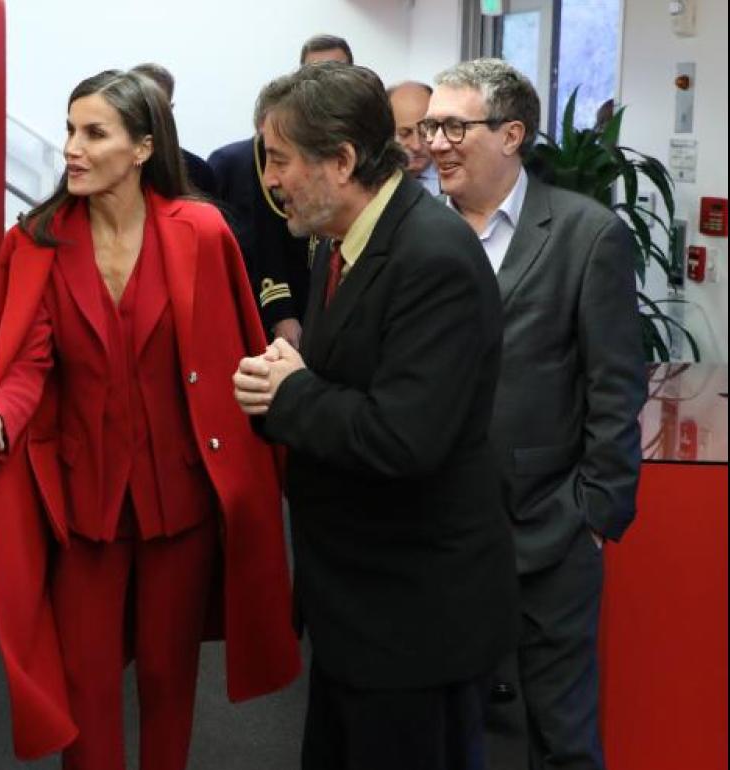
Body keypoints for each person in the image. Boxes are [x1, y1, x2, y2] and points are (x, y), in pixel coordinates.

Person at [0, 69, 299, 768]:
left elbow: (234, 355)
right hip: (83, 501)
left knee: (165, 677)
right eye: (69, 129)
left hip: (179, 497)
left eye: (94, 133)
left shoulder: (203, 232)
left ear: (144, 146)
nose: (71, 149)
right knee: (86, 682)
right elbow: (27, 367)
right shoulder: (35, 239)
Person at [233, 61, 517, 770]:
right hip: (356, 610)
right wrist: (278, 392)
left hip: (413, 623)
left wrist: (289, 393)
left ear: (342, 160)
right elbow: (338, 383)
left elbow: (402, 437)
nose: (270, 181)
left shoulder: (432, 258)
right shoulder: (343, 243)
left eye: (280, 160)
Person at [425, 59, 646, 770]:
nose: (435, 143)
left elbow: (616, 387)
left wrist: (594, 516)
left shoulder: (586, 234)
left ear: (512, 133)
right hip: (439, 534)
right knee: (455, 729)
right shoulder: (422, 233)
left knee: (559, 735)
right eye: (431, 126)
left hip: (550, 530)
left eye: (455, 125)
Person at [207, 33, 352, 349]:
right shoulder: (270, 151)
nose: (324, 82)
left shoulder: (360, 139)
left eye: (336, 72)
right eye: (314, 73)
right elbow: (264, 239)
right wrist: (280, 312)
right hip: (291, 293)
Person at [129, 63, 217, 196]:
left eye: (155, 106)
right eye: (137, 104)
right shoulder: (108, 162)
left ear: (169, 109)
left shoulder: (198, 171)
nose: (145, 113)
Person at [388, 80, 440, 195]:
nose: (416, 146)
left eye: (425, 133)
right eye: (404, 134)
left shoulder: (458, 183)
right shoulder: (368, 182)